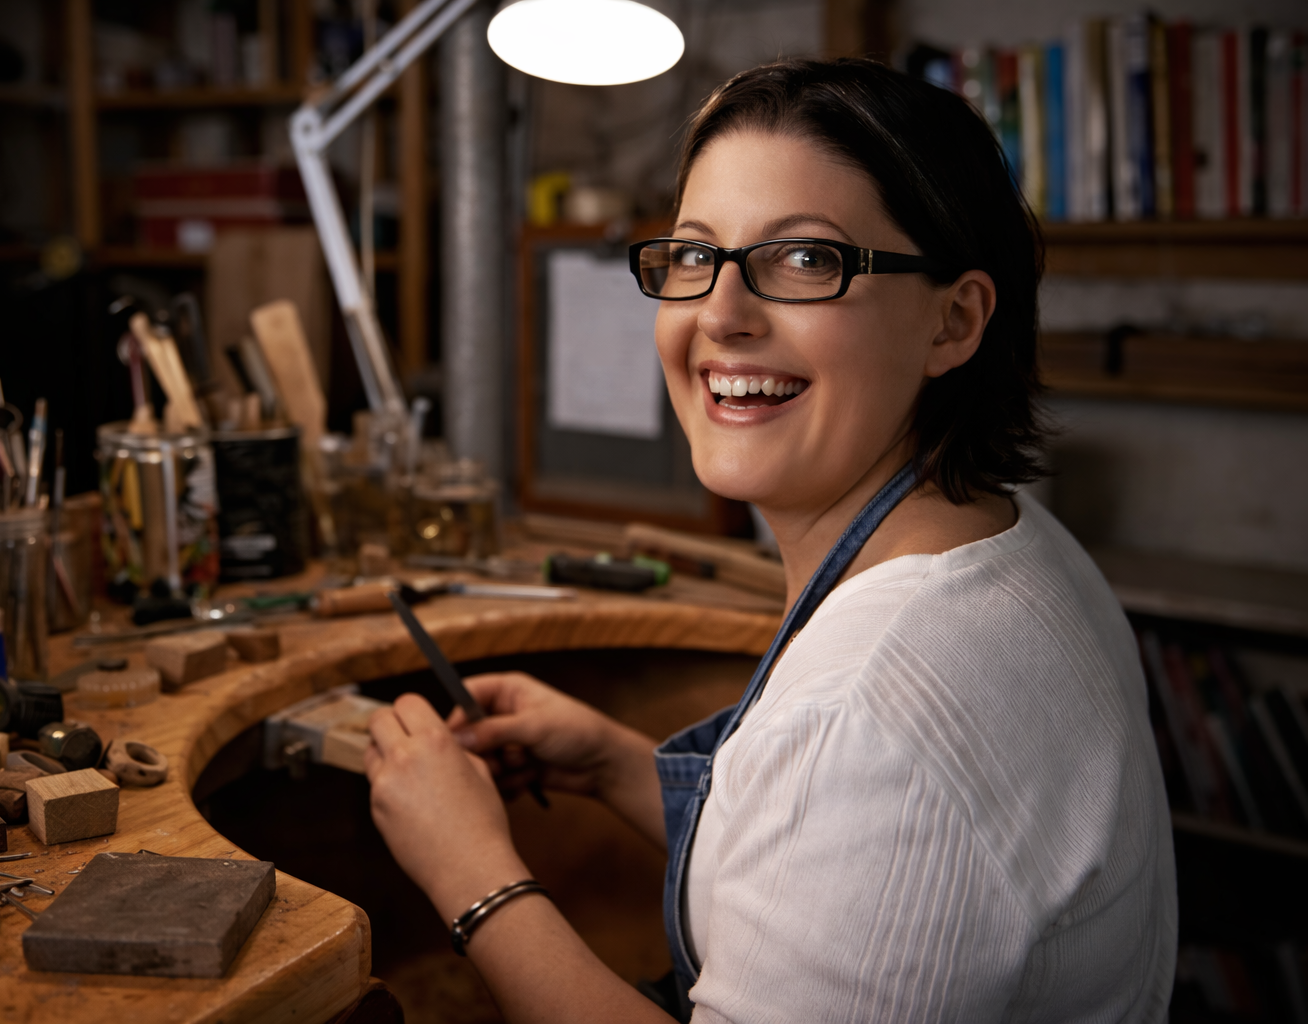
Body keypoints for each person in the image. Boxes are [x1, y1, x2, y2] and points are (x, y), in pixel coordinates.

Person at [363, 58, 1177, 1023]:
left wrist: (471, 874)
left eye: (805, 260)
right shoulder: (1012, 540)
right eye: (696, 254)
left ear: (953, 322)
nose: (719, 316)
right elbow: (850, 887)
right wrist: (618, 766)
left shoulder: (866, 717)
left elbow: (871, 782)